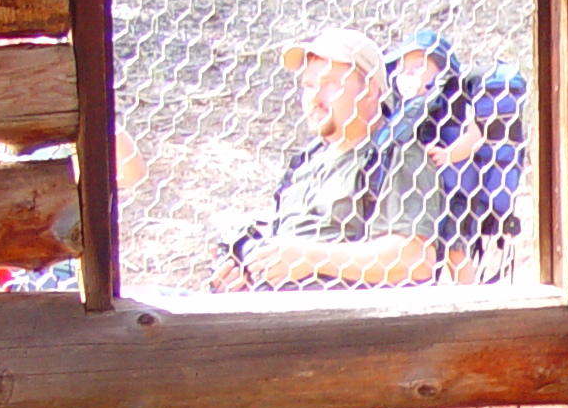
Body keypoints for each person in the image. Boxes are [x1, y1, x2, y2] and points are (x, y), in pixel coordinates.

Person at [222, 27, 447, 289]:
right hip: (272, 309)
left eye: (329, 84)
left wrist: (310, 258)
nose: (314, 98)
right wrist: (246, 276)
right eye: (308, 86)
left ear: (370, 90)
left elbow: (414, 260)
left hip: (333, 320)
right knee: (164, 306)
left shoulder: (396, 155)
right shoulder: (304, 163)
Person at [387, 29, 528, 286]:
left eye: (419, 67)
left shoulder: (455, 101)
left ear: (441, 70)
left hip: (454, 192)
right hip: (419, 193)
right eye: (404, 68)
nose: (409, 74)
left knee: (456, 246)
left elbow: (479, 132)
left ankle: (466, 289)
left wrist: (449, 154)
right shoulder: (403, 112)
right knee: (420, 244)